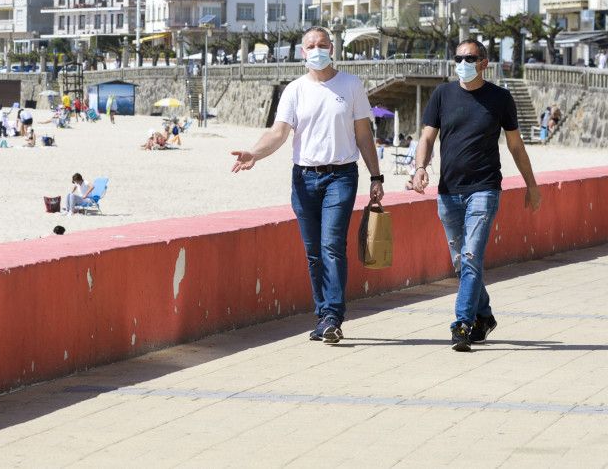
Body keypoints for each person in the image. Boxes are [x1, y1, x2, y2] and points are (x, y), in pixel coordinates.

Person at [230, 26, 383, 344]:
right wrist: (254, 154)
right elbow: (278, 133)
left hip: (340, 176)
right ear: (303, 52)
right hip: (303, 178)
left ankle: (333, 316)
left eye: (322, 44)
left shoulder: (351, 85)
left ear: (332, 48)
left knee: (331, 246)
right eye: (310, 45)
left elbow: (364, 135)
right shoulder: (295, 90)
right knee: (314, 252)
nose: (317, 50)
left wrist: (376, 176)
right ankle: (322, 316)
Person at [411, 39, 542, 352]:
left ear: (484, 62)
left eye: (469, 57)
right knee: (461, 261)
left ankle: (463, 323)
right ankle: (484, 315)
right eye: (458, 57)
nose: (462, 62)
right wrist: (419, 168)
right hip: (448, 192)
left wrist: (531, 184)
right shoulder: (442, 94)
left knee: (471, 257)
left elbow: (515, 145)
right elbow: (427, 137)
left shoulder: (500, 98)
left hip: (484, 189)